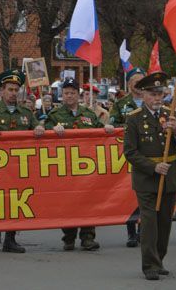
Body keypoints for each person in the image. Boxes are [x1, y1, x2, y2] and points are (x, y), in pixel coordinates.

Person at [123, 71, 176, 281]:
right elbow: (130, 152)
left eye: (160, 94)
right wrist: (153, 168)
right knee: (150, 222)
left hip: (169, 176)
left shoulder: (169, 115)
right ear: (143, 95)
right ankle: (149, 264)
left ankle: (159, 259)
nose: (157, 98)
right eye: (152, 94)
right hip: (147, 178)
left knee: (164, 222)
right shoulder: (134, 119)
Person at [0, 69, 45, 254]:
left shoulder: (26, 112)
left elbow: (38, 126)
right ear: (2, 91)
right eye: (9, 89)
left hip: (19, 166)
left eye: (15, 90)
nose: (13, 93)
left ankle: (10, 239)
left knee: (15, 201)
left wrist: (40, 129)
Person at [45, 77, 115, 251]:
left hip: (87, 167)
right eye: (66, 93)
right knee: (69, 202)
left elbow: (100, 130)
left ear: (78, 94)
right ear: (62, 95)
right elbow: (43, 134)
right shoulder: (54, 116)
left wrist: (106, 129)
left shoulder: (89, 114)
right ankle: (68, 236)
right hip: (65, 167)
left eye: (73, 93)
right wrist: (51, 130)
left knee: (88, 201)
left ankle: (88, 237)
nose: (69, 96)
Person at [108, 67, 146, 247]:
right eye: (135, 81)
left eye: (141, 81)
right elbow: (112, 123)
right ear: (129, 84)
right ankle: (131, 231)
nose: (138, 84)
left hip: (148, 155)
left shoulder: (152, 101)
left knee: (146, 194)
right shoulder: (121, 104)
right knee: (128, 194)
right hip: (127, 155)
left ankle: (144, 231)